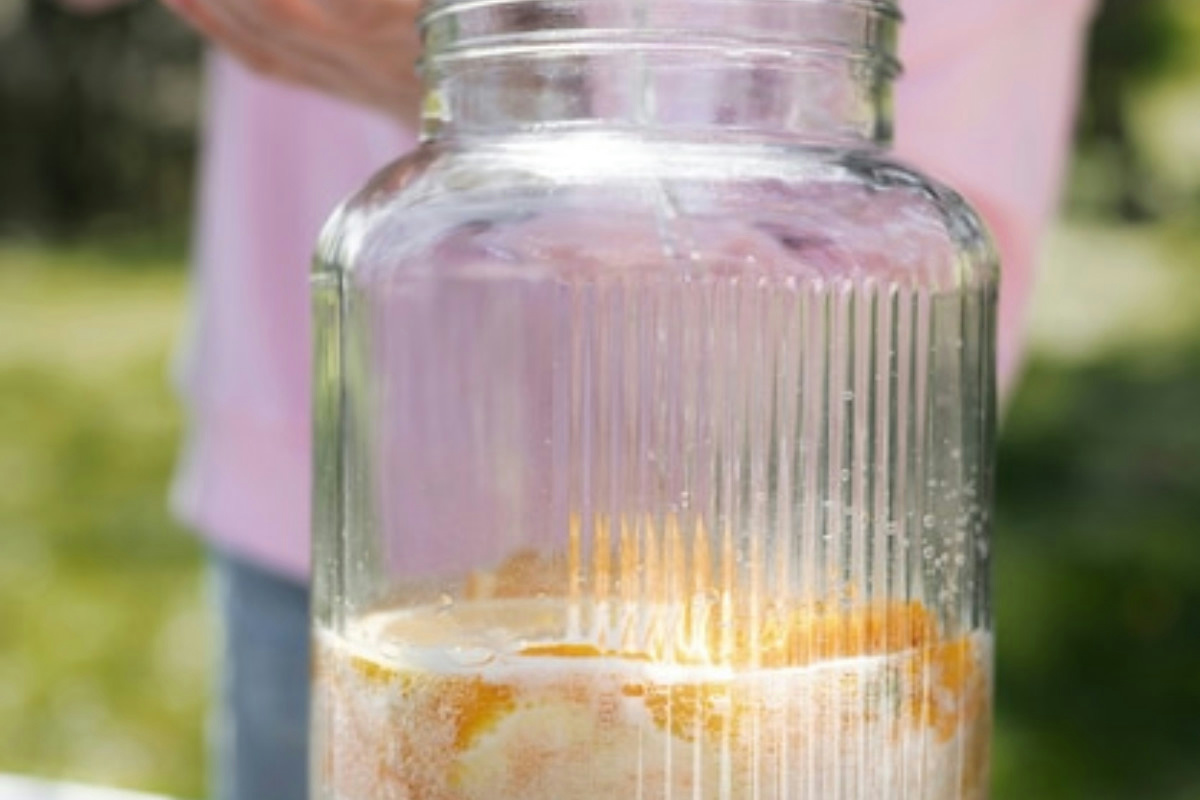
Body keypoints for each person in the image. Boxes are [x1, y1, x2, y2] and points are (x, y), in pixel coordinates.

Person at [145, 0, 1097, 798]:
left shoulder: (912, 233)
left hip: (802, 556)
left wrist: (553, 105)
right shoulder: (388, 239)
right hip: (353, 521)